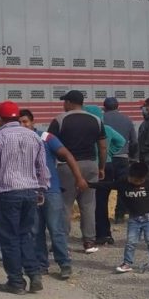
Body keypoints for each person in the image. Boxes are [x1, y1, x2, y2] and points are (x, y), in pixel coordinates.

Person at [0, 100, 50, 295]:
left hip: (7, 193)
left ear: (0, 119)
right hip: (30, 192)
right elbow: (42, 167)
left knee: (9, 238)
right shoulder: (34, 137)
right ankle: (34, 276)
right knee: (25, 235)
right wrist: (41, 190)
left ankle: (15, 281)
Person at [19, 109, 88, 280]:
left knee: (56, 229)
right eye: (19, 122)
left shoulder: (46, 138)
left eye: (25, 122)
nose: (23, 125)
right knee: (35, 231)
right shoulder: (17, 140)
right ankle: (42, 265)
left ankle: (64, 264)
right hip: (30, 193)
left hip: (51, 191)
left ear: (33, 122)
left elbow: (67, 155)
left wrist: (79, 178)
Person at [47, 90, 107, 253]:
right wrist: (101, 167)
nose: (63, 104)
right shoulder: (96, 120)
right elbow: (102, 146)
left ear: (70, 102)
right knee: (88, 204)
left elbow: (49, 144)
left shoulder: (59, 120)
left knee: (65, 205)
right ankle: (89, 242)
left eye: (64, 101)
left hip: (67, 167)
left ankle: (62, 242)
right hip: (90, 165)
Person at [88, 161, 149, 273]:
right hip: (134, 219)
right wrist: (89, 184)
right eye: (135, 180)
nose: (138, 183)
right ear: (129, 176)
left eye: (141, 181)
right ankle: (127, 263)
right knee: (131, 242)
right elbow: (107, 185)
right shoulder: (122, 183)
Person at [85, 103, 127, 246]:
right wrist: (111, 152)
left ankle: (95, 233)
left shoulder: (87, 130)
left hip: (93, 166)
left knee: (91, 202)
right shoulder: (107, 129)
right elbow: (121, 141)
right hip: (108, 166)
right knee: (103, 202)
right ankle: (106, 233)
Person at [101, 97, 138, 224]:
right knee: (122, 187)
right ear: (118, 107)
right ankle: (119, 215)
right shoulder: (127, 120)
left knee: (103, 189)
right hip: (123, 159)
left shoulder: (101, 120)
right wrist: (132, 156)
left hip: (105, 160)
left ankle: (102, 216)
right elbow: (134, 142)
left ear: (104, 108)